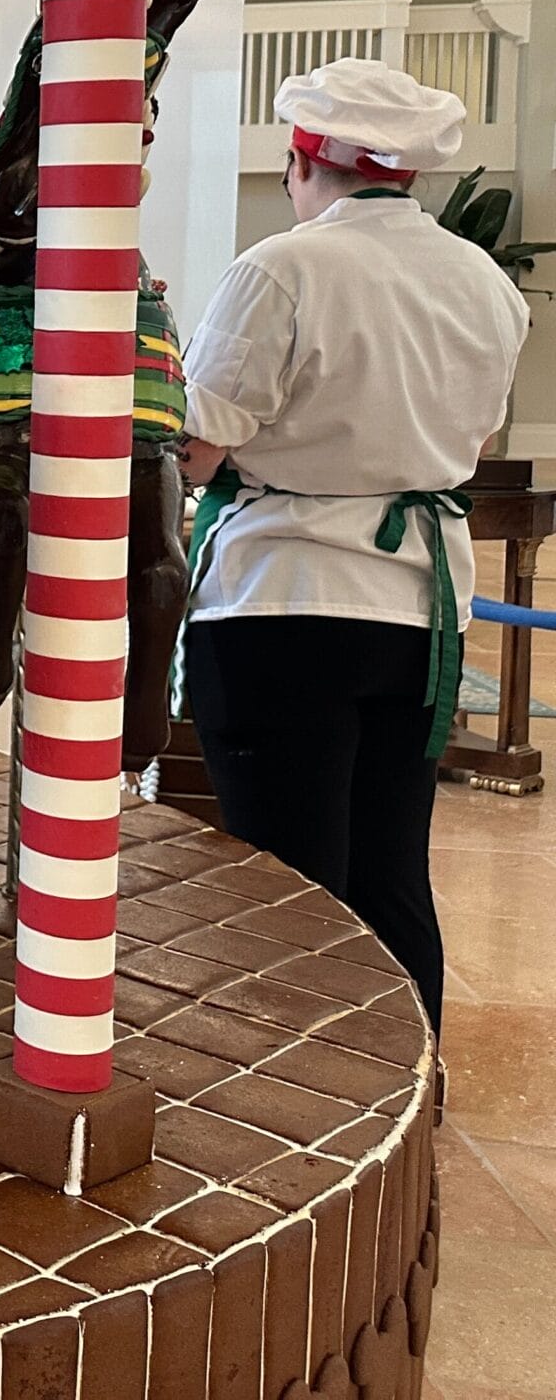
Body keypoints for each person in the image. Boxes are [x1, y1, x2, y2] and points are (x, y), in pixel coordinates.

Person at [180, 59, 529, 1036]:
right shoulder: (482, 280)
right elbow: (476, 444)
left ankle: (303, 1097)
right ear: (407, 173)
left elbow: (200, 444)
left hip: (284, 597)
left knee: (287, 884)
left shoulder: (282, 268)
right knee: (389, 871)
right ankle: (412, 1088)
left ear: (300, 162)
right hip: (420, 613)